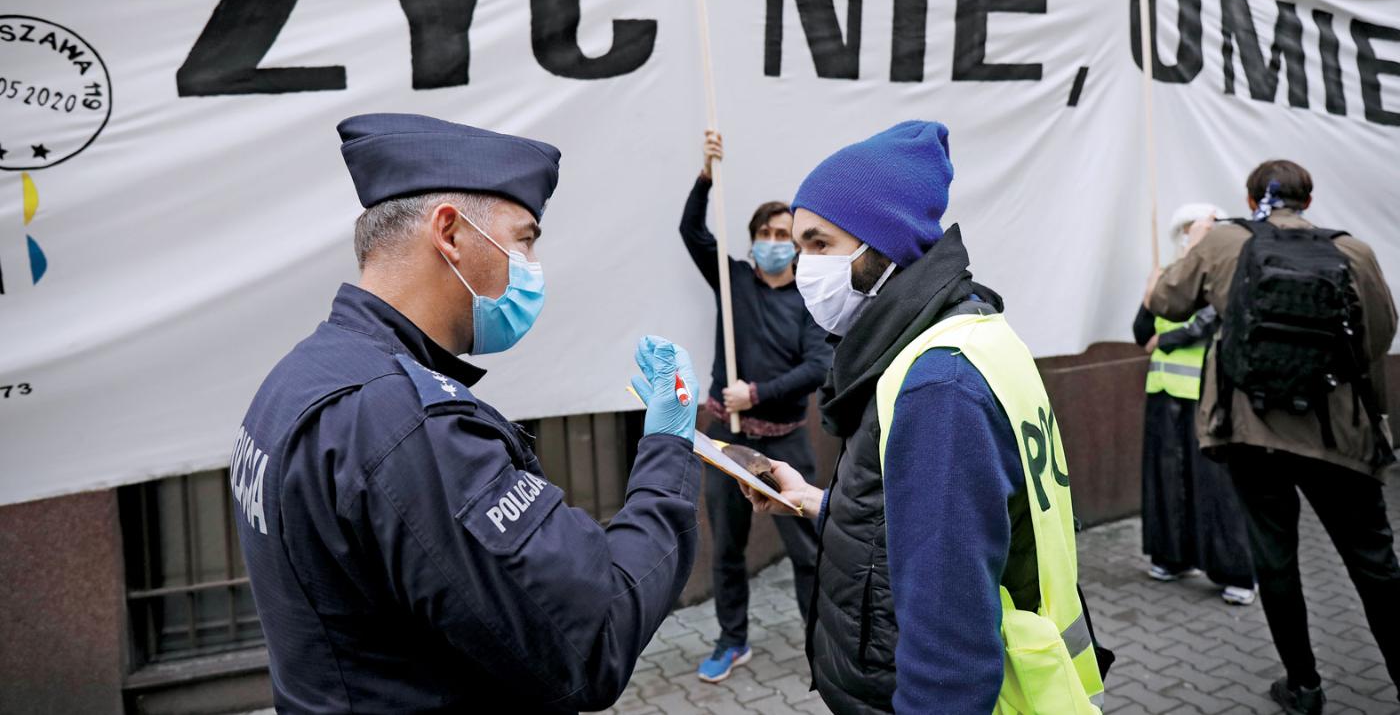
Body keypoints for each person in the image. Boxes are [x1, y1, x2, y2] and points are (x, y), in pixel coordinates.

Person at [231, 113, 702, 714]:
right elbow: (593, 639)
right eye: (525, 239)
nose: (532, 263)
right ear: (450, 232)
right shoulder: (406, 423)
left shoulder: (302, 374)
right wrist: (668, 449)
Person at [744, 121, 1104, 714]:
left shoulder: (937, 384)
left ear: (882, 245)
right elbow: (927, 530)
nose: (805, 267)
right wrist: (813, 501)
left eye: (820, 244)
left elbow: (948, 650)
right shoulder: (970, 332)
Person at [1148, 160, 1399, 715]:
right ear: (1308, 201)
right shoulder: (1353, 251)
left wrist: (1197, 248)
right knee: (1374, 564)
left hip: (1251, 432)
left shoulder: (1224, 242)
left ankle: (1303, 687)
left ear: (1250, 197)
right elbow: (1379, 337)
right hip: (1339, 436)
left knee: (1276, 559)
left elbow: (1165, 302)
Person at [680, 129, 832, 683]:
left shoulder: (809, 299)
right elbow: (691, 231)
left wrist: (757, 393)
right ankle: (732, 640)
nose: (773, 241)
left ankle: (822, 645)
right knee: (727, 549)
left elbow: (817, 367)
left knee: (808, 550)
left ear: (795, 243)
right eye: (764, 233)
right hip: (729, 440)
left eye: (782, 234)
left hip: (785, 440)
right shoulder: (734, 281)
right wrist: (706, 176)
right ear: (752, 241)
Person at [1133, 203, 1255, 604]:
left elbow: (1210, 320)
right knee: (1166, 478)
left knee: (1215, 483)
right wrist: (1149, 296)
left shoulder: (1222, 271)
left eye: (1197, 229)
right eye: (1186, 229)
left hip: (1207, 393)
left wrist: (1165, 340)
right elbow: (1141, 333)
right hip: (1163, 392)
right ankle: (1171, 558)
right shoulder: (1168, 275)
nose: (1191, 236)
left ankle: (1236, 571)